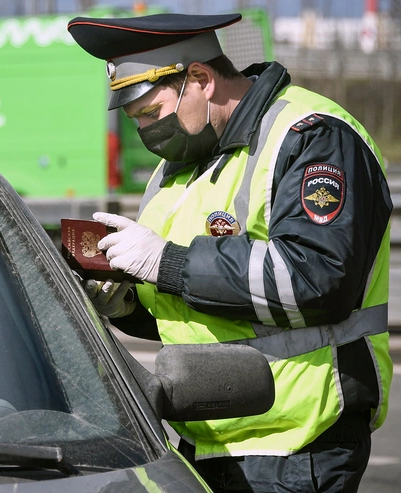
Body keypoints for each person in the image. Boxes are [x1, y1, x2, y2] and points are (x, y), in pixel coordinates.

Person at [67, 12, 393, 493]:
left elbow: (318, 279)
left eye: (151, 115)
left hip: (297, 447)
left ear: (199, 78)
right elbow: (190, 309)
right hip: (202, 443)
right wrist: (126, 303)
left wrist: (166, 261)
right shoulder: (176, 167)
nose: (147, 134)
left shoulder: (310, 137)